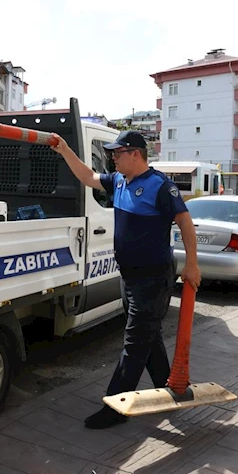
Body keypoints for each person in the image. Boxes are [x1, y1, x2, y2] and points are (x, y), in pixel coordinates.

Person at [50, 130, 201, 429]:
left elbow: (185, 222)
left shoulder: (159, 186)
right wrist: (66, 150)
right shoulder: (119, 181)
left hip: (153, 278)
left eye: (117, 153)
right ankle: (171, 387)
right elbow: (89, 178)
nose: (112, 158)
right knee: (149, 335)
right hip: (129, 277)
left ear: (135, 154)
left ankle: (115, 406)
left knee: (134, 343)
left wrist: (192, 264)